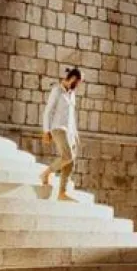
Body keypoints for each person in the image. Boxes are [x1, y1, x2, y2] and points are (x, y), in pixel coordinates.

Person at [41, 67, 81, 201]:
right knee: (67, 156)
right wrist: (46, 131)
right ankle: (46, 173)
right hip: (57, 129)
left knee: (71, 162)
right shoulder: (57, 90)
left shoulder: (72, 93)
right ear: (73, 79)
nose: (78, 86)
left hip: (69, 131)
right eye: (78, 82)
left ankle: (62, 193)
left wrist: (75, 134)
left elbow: (71, 116)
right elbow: (48, 111)